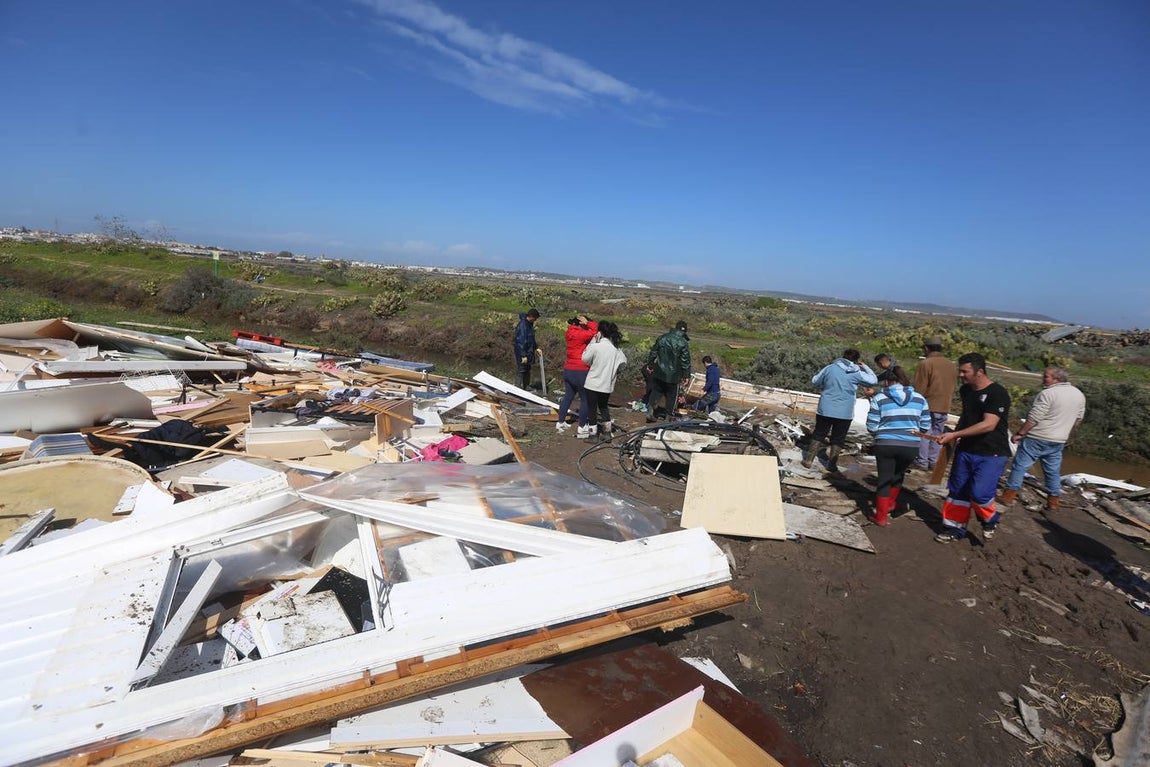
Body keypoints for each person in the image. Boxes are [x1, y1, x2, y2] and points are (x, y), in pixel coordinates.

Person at [935, 353, 1011, 543]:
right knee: (957, 491)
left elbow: (989, 424)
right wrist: (956, 435)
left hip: (991, 452)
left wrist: (955, 434)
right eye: (960, 370)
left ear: (980, 372)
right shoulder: (966, 391)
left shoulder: (998, 393)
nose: (961, 375)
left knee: (979, 492)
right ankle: (953, 528)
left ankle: (990, 518)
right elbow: (967, 416)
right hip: (966, 450)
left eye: (965, 371)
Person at [1000, 367, 1086, 510]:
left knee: (1020, 467)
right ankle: (1053, 502)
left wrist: (1020, 433)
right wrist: (1066, 434)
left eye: (1046, 377)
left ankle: (1008, 496)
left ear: (1057, 379)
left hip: (1037, 437)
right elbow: (1078, 420)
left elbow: (1034, 417)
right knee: (1052, 472)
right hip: (1058, 440)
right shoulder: (1079, 394)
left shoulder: (1048, 393)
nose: (1043, 379)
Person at [866, 366, 931, 525]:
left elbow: (872, 426)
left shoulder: (879, 398)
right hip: (911, 446)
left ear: (887, 381)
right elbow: (925, 425)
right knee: (898, 475)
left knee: (884, 479)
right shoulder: (919, 398)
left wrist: (879, 435)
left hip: (886, 444)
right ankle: (890, 504)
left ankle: (880, 517)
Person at [803, 349, 877, 472]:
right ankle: (831, 465)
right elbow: (873, 380)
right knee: (839, 438)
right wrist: (864, 366)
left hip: (825, 408)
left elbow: (815, 381)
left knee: (819, 434)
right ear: (857, 360)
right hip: (845, 411)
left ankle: (808, 460)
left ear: (842, 356)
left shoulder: (830, 368)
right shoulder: (857, 372)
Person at [912, 337, 958, 470]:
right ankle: (933, 461)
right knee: (938, 435)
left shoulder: (926, 363)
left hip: (928, 404)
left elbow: (919, 388)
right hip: (944, 406)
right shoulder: (951, 364)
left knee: (924, 434)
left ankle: (922, 461)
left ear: (927, 348)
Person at [581, 321, 627, 439]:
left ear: (600, 332)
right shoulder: (616, 349)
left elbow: (584, 359)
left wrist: (592, 341)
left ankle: (593, 435)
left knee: (592, 409)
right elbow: (623, 364)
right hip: (606, 385)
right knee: (603, 407)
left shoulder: (596, 346)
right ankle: (607, 433)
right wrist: (615, 371)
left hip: (592, 384)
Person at [555, 315, 597, 432]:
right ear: (581, 324)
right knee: (585, 399)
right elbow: (595, 331)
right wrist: (588, 323)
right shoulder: (581, 334)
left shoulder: (569, 333)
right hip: (580, 369)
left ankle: (561, 422)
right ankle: (582, 426)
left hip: (568, 368)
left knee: (568, 396)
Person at [646, 320, 691, 422]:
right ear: (685, 331)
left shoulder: (663, 337)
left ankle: (650, 411)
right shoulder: (683, 343)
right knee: (672, 396)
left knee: (656, 391)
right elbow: (685, 361)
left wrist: (650, 364)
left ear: (675, 328)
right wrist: (686, 376)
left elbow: (653, 352)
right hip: (674, 376)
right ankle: (668, 417)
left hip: (659, 372)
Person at [513, 308, 540, 390]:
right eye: (535, 318)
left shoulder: (529, 324)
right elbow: (521, 341)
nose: (536, 320)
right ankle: (518, 387)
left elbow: (531, 339)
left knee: (527, 369)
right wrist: (523, 355)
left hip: (529, 351)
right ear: (531, 316)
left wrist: (536, 348)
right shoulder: (523, 325)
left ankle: (526, 386)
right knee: (522, 369)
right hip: (522, 352)